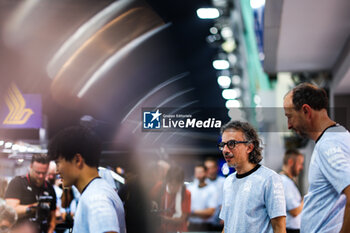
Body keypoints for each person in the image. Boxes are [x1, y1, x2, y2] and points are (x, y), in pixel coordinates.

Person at [283, 83, 350, 233]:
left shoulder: (329, 144)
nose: (289, 125)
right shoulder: (338, 136)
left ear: (306, 110)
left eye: (290, 117)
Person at [48, 125, 126, 233]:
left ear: (77, 160)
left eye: (58, 163)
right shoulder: (95, 191)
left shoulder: (95, 197)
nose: (57, 171)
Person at [218, 121, 286, 233]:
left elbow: (279, 228)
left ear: (249, 147)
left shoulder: (269, 179)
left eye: (231, 144)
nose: (225, 150)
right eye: (223, 145)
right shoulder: (228, 182)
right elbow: (227, 225)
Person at [5, 154, 56, 233]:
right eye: (37, 172)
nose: (41, 176)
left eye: (44, 173)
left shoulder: (49, 188)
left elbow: (53, 218)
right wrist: (36, 207)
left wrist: (50, 231)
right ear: (31, 166)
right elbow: (11, 211)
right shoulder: (18, 183)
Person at [158, 165, 191, 233]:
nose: (173, 187)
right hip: (161, 229)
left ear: (181, 183)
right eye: (171, 184)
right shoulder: (159, 188)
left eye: (176, 184)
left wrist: (162, 218)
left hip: (179, 230)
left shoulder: (186, 193)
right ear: (167, 181)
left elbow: (181, 219)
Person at [187, 164, 217, 231]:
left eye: (200, 172)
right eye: (196, 173)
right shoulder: (190, 188)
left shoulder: (212, 189)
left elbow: (210, 212)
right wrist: (202, 213)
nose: (198, 175)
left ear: (206, 173)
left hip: (206, 226)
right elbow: (186, 210)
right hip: (191, 225)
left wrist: (193, 212)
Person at [280, 149, 304, 233]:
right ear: (290, 162)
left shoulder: (287, 181)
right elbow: (294, 211)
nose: (301, 167)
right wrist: (306, 200)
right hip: (290, 230)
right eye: (300, 164)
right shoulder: (285, 182)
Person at [204, 157, 225, 230]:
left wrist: (224, 217)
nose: (209, 170)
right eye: (207, 168)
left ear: (217, 168)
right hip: (204, 222)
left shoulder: (224, 182)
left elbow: (226, 202)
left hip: (219, 222)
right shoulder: (202, 183)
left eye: (211, 167)